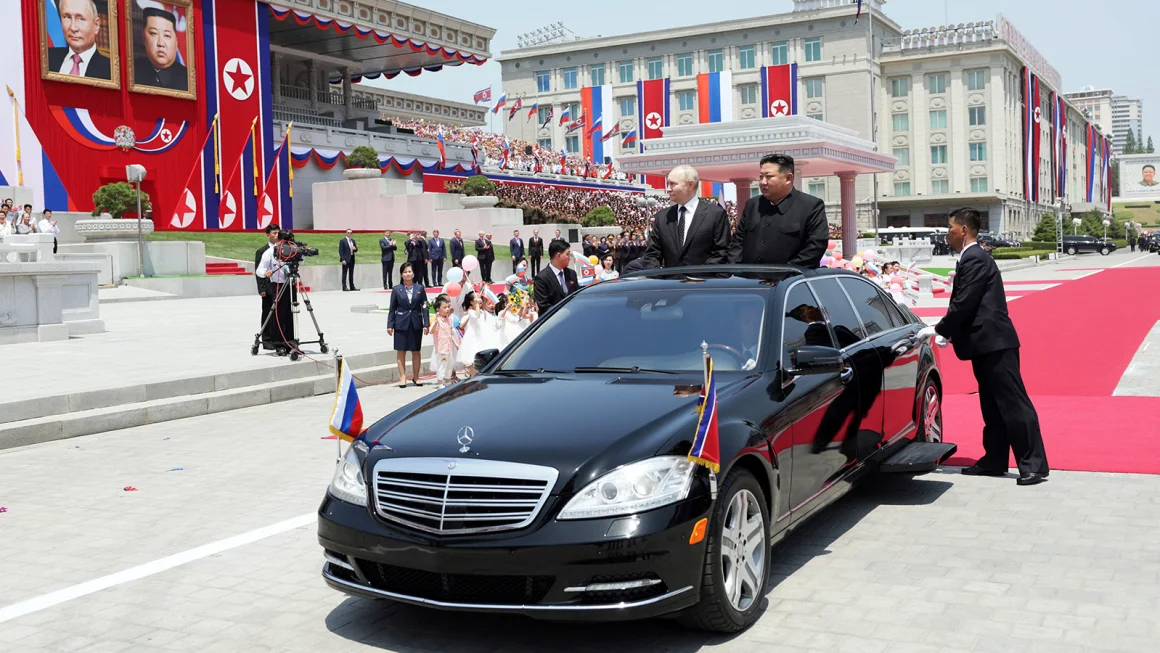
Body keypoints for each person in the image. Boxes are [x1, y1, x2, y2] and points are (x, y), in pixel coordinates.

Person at [919, 207, 1049, 486]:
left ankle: (1034, 465)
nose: (947, 234)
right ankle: (995, 459)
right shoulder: (972, 257)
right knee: (991, 406)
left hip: (995, 343)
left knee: (1013, 404)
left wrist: (940, 329)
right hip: (984, 343)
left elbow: (965, 302)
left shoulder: (975, 258)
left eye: (950, 229)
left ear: (963, 230)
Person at [729, 153, 828, 269]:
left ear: (788, 178)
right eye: (761, 177)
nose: (763, 182)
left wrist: (783, 273)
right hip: (750, 281)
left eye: (769, 177)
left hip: (790, 282)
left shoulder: (811, 206)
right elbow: (737, 244)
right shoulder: (752, 205)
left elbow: (815, 247)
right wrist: (734, 271)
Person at [642, 165, 731, 268]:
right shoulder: (662, 217)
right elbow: (652, 254)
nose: (668, 189)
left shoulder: (715, 215)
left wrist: (699, 278)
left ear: (690, 185)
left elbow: (722, 253)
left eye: (673, 184)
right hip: (670, 282)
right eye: (668, 184)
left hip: (704, 281)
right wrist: (657, 278)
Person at [387, 262, 429, 388]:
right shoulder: (396, 289)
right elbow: (392, 308)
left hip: (416, 323)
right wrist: (390, 325)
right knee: (401, 351)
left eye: (409, 271)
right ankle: (403, 377)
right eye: (405, 272)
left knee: (416, 351)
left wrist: (426, 323)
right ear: (401, 274)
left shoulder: (420, 288)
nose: (407, 274)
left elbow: (425, 307)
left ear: (413, 273)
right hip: (401, 323)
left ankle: (416, 377)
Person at [255, 230, 296, 355]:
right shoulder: (270, 252)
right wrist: (265, 273)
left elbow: (300, 261)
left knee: (290, 313)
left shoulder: (292, 250)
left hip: (290, 284)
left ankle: (290, 341)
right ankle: (278, 343)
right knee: (278, 314)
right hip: (277, 285)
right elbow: (259, 270)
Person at [48, 0, 112, 80]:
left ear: (96, 25)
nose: (73, 28)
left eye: (81, 19)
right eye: (67, 17)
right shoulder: (46, 58)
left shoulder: (111, 70)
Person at [134, 7, 187, 90]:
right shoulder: (132, 70)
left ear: (176, 42)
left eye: (167, 35)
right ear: (144, 38)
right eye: (154, 33)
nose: (161, 43)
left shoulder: (188, 79)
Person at [533, 239, 579, 312]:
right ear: (559, 255)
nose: (569, 257)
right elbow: (544, 306)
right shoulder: (541, 278)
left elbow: (577, 296)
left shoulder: (572, 274)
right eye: (567, 254)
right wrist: (565, 312)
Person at [255, 224, 279, 346]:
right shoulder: (261, 251)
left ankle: (278, 338)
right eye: (274, 233)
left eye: (277, 233)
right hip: (267, 286)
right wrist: (261, 288)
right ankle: (267, 340)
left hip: (280, 285)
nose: (276, 235)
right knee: (267, 312)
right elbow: (258, 271)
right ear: (268, 234)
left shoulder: (283, 249)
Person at [429, 294, 458, 388]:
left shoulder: (448, 319)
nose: (447, 309)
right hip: (441, 348)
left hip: (449, 347)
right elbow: (432, 331)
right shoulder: (437, 320)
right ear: (438, 309)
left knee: (450, 364)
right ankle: (440, 382)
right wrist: (435, 323)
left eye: (448, 307)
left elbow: (450, 333)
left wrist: (456, 343)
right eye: (444, 307)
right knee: (442, 365)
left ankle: (448, 380)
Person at [456, 291, 485, 376]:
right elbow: (477, 316)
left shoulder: (482, 311)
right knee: (472, 358)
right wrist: (477, 306)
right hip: (473, 336)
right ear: (471, 302)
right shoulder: (471, 312)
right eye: (477, 298)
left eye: (480, 297)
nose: (479, 300)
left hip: (481, 334)